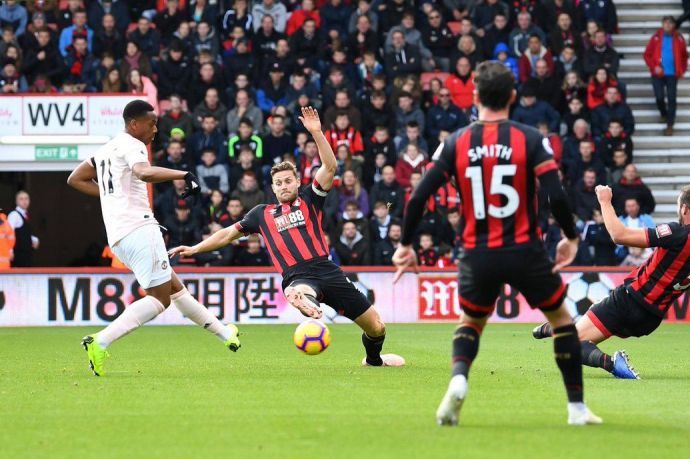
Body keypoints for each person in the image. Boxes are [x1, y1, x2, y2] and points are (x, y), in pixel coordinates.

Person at [393, 62, 601, 426]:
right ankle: (577, 409)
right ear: (513, 97)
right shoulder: (531, 140)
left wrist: (406, 244)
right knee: (564, 323)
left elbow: (417, 197)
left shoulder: (455, 142)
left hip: (477, 253)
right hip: (525, 250)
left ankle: (458, 380)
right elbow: (556, 195)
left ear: (474, 96)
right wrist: (569, 237)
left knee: (471, 322)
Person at [170, 107, 405, 368]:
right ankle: (302, 299)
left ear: (296, 182)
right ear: (272, 188)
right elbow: (227, 235)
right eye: (278, 183)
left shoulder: (310, 198)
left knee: (376, 327)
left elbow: (330, 166)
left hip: (328, 271)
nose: (284, 186)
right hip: (297, 275)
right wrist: (195, 248)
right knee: (301, 289)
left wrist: (316, 132)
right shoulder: (261, 214)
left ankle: (373, 361)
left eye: (288, 181)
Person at [66, 100, 240, 377]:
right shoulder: (133, 145)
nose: (156, 129)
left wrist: (113, 197)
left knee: (174, 288)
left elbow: (75, 178)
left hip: (120, 237)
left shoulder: (107, 148)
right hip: (139, 229)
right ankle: (100, 341)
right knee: (161, 299)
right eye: (151, 123)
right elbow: (143, 173)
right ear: (134, 124)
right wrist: (184, 174)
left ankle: (225, 333)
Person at [533, 184, 690, 378]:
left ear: (685, 209)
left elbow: (619, 235)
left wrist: (605, 201)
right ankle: (552, 328)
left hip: (631, 300)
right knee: (587, 321)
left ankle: (612, 364)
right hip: (651, 319)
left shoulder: (676, 232)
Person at [643, 16, 688, 136]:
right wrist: (654, 67)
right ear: (662, 25)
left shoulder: (679, 38)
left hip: (672, 74)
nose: (667, 25)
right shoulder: (656, 37)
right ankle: (663, 113)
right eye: (665, 23)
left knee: (672, 99)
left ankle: (670, 125)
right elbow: (647, 54)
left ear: (674, 25)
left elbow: (684, 56)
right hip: (658, 73)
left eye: (670, 23)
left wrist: (682, 70)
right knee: (659, 97)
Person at [7, 190, 38, 267]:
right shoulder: (14, 215)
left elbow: (24, 233)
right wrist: (10, 251)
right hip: (18, 257)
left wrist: (33, 239)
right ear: (16, 201)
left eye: (26, 198)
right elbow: (8, 232)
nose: (24, 201)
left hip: (26, 257)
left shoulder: (26, 215)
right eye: (21, 199)